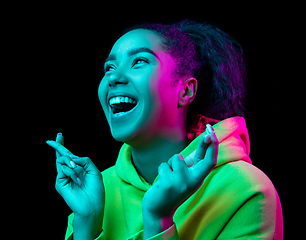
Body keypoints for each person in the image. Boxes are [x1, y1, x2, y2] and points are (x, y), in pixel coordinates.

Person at [46, 18, 283, 240]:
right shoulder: (97, 192)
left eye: (139, 61)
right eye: (109, 67)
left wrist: (158, 222)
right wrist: (87, 224)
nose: (113, 78)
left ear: (185, 92)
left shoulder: (246, 189)